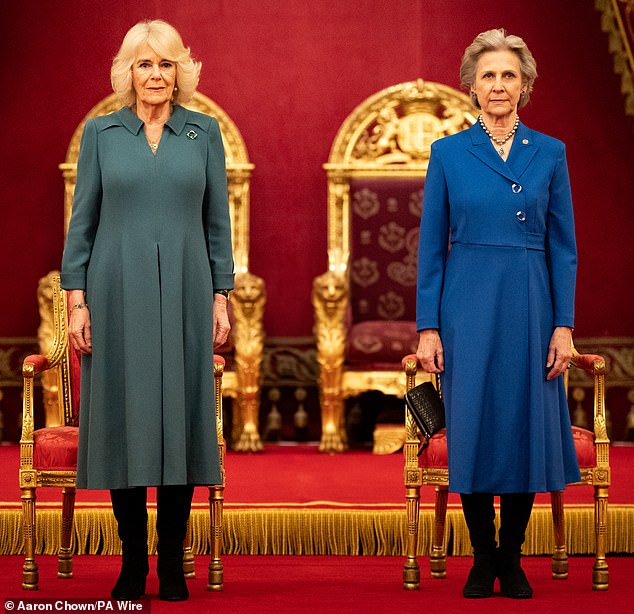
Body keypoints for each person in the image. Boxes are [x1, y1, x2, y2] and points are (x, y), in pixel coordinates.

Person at [60, 20, 234, 602]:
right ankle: (133, 562)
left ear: (181, 71)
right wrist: (76, 299)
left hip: (188, 289)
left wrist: (221, 296)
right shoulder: (101, 133)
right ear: (128, 73)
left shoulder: (203, 132)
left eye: (165, 64)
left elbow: (218, 224)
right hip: (115, 289)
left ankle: (173, 566)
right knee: (126, 424)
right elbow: (82, 221)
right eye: (144, 64)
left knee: (181, 424)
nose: (155, 75)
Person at [416, 28, 580, 600]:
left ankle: (512, 558)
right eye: (488, 75)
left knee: (521, 429)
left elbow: (564, 246)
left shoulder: (550, 152)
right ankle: (481, 558)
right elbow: (431, 245)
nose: (498, 84)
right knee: (476, 428)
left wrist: (564, 325)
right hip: (468, 305)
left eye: (509, 74)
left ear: (525, 85)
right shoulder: (447, 153)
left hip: (533, 305)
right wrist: (428, 327)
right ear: (471, 86)